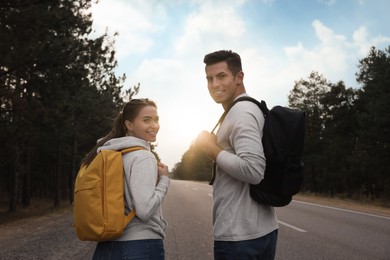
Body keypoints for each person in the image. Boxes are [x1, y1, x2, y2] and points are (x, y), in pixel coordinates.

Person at [195, 50, 278, 259]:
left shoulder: (241, 113)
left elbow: (254, 170)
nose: (214, 84)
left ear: (239, 77)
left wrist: (212, 150)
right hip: (258, 229)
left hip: (239, 236)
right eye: (209, 78)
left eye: (221, 76)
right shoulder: (242, 109)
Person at [82, 98, 170, 260]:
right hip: (140, 245)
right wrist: (164, 180)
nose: (154, 125)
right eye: (146, 120)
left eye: (156, 120)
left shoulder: (111, 154)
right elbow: (145, 210)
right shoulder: (143, 157)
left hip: (107, 247)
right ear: (129, 125)